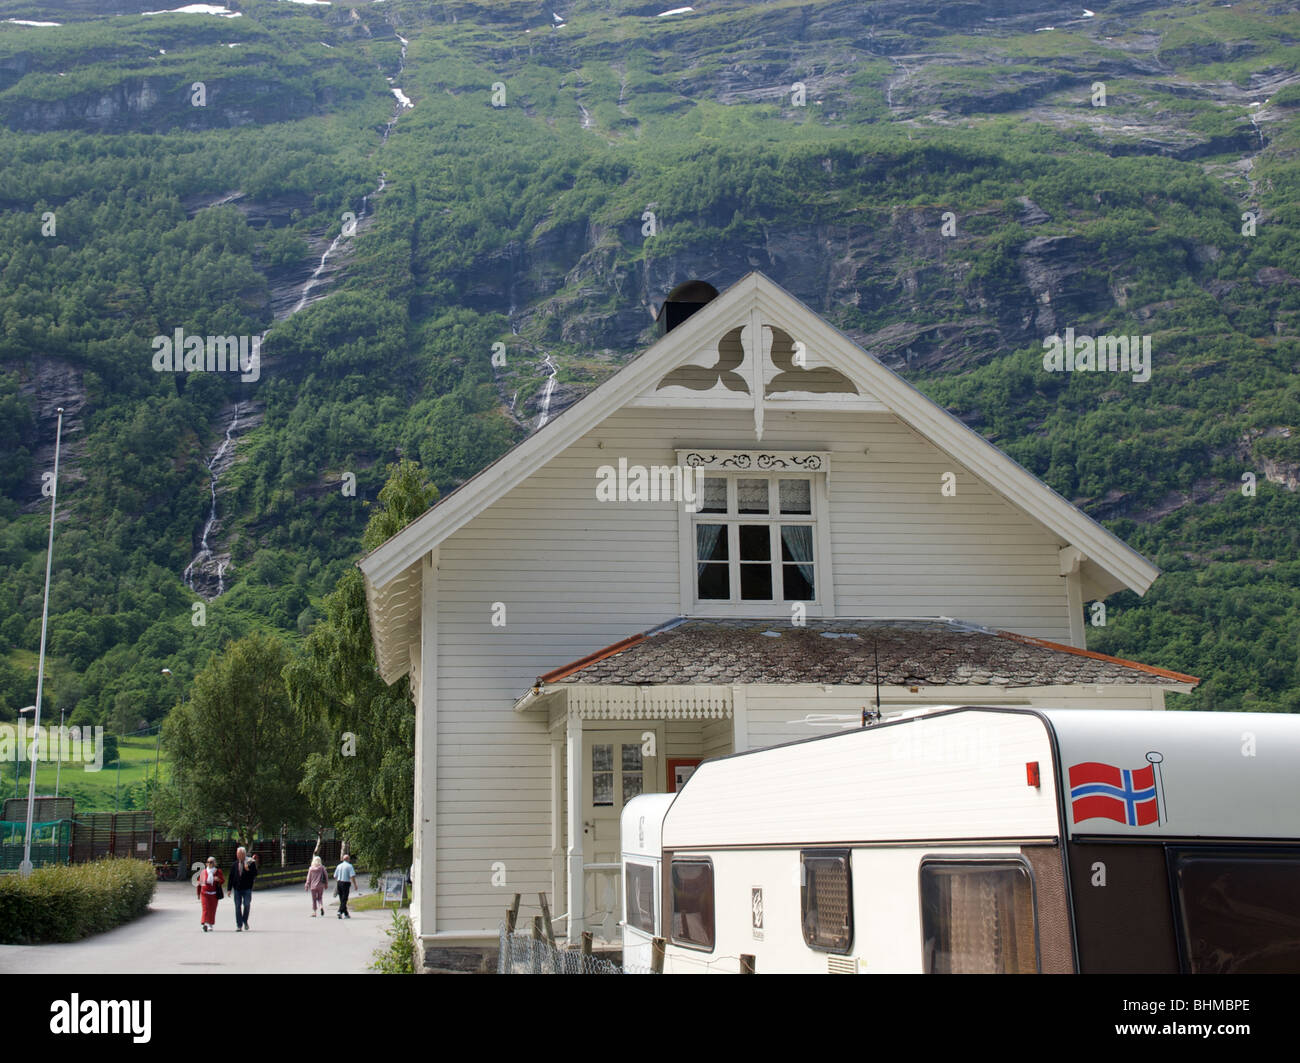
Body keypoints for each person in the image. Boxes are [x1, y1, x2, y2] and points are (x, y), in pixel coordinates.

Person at [229, 846, 254, 931]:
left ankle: (245, 920)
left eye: (239, 854)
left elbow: (255, 874)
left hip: (247, 888)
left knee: (246, 904)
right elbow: (231, 877)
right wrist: (229, 889)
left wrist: (248, 870)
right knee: (237, 906)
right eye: (237, 854)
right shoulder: (234, 864)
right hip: (237, 889)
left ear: (244, 854)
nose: (238, 856)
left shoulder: (250, 863)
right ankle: (239, 925)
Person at [197, 856, 224, 931]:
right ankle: (204, 923)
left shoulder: (218, 871)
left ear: (214, 863)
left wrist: (218, 879)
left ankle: (210, 924)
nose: (209, 863)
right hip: (204, 893)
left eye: (211, 862)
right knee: (205, 909)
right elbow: (199, 883)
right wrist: (198, 893)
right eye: (208, 862)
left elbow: (222, 881)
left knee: (212, 909)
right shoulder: (203, 872)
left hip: (214, 894)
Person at [334, 853, 356, 919]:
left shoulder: (339, 866)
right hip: (346, 883)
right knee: (344, 898)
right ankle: (340, 911)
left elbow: (335, 876)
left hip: (339, 882)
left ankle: (346, 914)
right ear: (348, 859)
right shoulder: (349, 866)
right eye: (349, 859)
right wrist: (355, 884)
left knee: (342, 899)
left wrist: (337, 882)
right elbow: (352, 876)